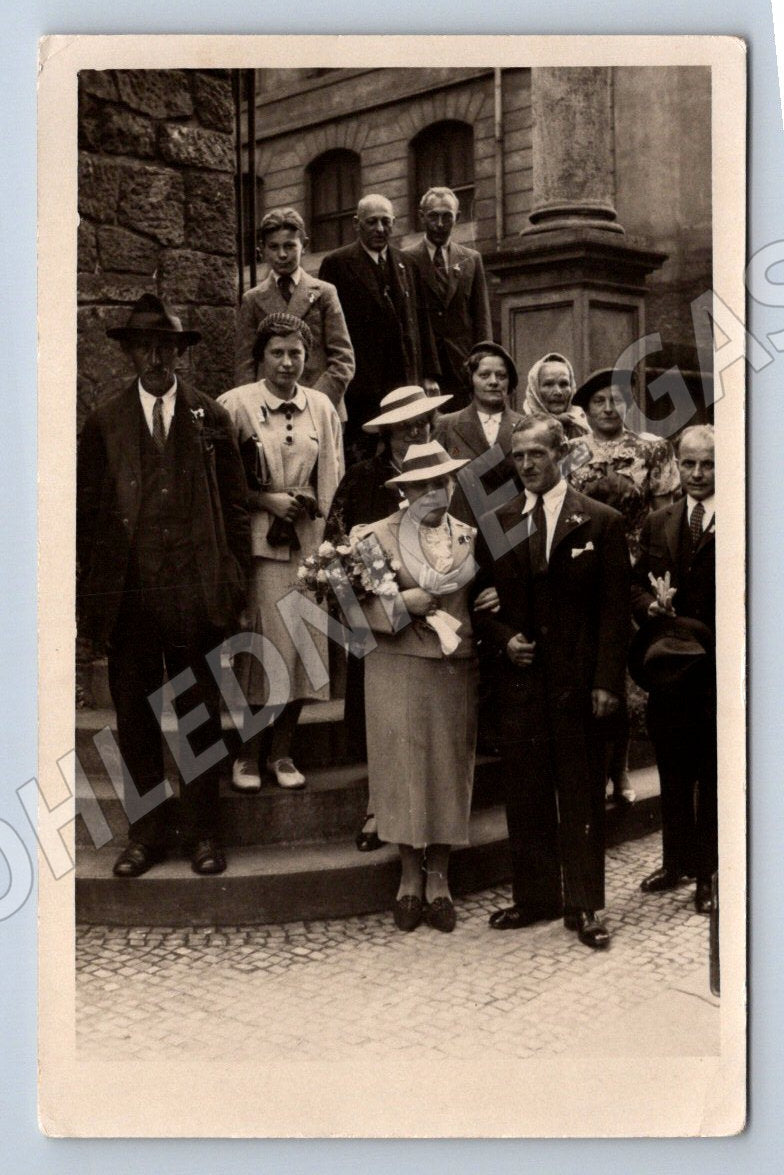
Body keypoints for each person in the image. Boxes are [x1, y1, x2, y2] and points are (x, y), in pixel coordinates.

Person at [77, 294, 251, 878]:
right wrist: (93, 598)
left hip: (194, 594)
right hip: (129, 598)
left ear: (180, 353)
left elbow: (235, 509)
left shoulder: (211, 417)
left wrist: (233, 583)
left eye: (166, 347)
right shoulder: (104, 422)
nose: (155, 358)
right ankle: (145, 834)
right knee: (135, 717)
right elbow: (87, 517)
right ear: (129, 353)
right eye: (144, 347)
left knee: (199, 712)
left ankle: (204, 832)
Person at [473, 416, 630, 949]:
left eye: (536, 454)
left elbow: (614, 612)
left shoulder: (600, 522)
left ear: (561, 453)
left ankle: (584, 905)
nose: (526, 465)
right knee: (526, 793)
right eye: (518, 456)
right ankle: (534, 898)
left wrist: (606, 682)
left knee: (581, 795)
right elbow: (478, 604)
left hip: (578, 685)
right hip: (522, 685)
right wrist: (503, 640)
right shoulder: (499, 522)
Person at [350, 441, 478, 933]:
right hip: (395, 661)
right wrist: (405, 603)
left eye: (440, 483)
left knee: (448, 765)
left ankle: (439, 878)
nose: (433, 493)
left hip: (452, 664)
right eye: (422, 485)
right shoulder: (372, 537)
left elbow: (481, 596)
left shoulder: (468, 535)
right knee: (400, 766)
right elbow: (348, 608)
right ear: (404, 489)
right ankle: (408, 877)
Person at [218, 312, 344, 792]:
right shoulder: (236, 405)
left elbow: (332, 476)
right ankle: (248, 755)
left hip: (308, 547)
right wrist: (265, 500)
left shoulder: (322, 407)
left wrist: (328, 545)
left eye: (296, 354)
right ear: (261, 356)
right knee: (263, 650)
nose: (287, 363)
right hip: (260, 547)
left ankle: (282, 752)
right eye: (277, 353)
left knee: (303, 649)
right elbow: (221, 480)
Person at [324, 384, 453, 852]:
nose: (416, 433)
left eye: (423, 424)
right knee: (383, 723)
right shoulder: (363, 479)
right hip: (382, 622)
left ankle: (433, 815)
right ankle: (377, 808)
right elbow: (335, 552)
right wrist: (384, 604)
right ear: (387, 434)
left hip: (438, 618)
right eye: (405, 428)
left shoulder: (445, 472)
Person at [568, 366, 681, 805]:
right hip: (584, 573)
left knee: (628, 675)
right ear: (587, 409)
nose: (609, 408)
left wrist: (655, 572)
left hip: (633, 574)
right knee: (591, 672)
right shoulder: (570, 452)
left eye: (616, 399)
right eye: (599, 401)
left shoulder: (652, 449)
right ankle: (595, 769)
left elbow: (664, 515)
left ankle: (623, 767)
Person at [630, 424, 716, 915]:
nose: (698, 473)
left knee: (712, 772)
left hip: (717, 671)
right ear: (677, 465)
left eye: (708, 464)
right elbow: (635, 584)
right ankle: (676, 862)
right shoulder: (659, 521)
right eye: (689, 463)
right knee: (672, 768)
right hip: (670, 670)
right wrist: (649, 607)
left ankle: (709, 873)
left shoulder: (745, 516)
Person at [318, 193, 441, 463]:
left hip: (404, 378)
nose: (380, 229)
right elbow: (328, 332)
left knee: (407, 452)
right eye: (372, 222)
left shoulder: (407, 264)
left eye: (386, 222)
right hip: (362, 386)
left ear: (394, 223)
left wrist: (429, 375)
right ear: (356, 224)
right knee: (366, 457)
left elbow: (422, 321)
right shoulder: (337, 264)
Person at [233, 207, 355, 419]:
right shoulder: (252, 299)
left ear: (304, 246)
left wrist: (315, 401)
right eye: (274, 247)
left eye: (289, 246)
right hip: (269, 409)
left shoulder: (324, 292)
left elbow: (343, 358)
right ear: (262, 250)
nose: (282, 254)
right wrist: (254, 407)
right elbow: (245, 364)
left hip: (321, 407)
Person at [404, 186, 492, 410]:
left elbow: (481, 319)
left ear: (458, 217)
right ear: (421, 216)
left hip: (464, 370)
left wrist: (484, 366)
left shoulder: (471, 259)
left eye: (447, 216)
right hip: (422, 373)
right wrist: (424, 372)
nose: (440, 224)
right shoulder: (406, 260)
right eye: (433, 216)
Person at [434, 340, 523, 526]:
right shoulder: (446, 425)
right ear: (471, 379)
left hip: (514, 528)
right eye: (484, 375)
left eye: (501, 376)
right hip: (462, 526)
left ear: (510, 381)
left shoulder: (526, 425)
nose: (493, 382)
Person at [522, 352, 592, 440]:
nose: (558, 392)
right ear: (535, 390)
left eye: (564, 384)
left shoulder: (583, 426)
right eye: (548, 384)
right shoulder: (522, 430)